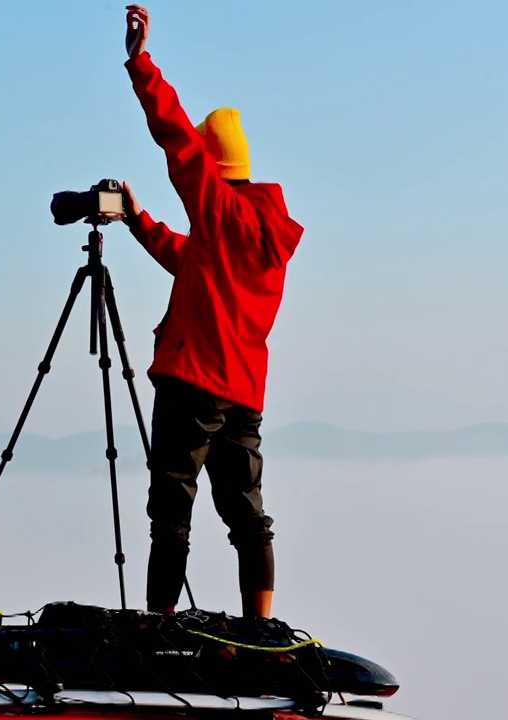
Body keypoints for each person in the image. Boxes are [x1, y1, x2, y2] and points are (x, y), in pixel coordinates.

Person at [117, 4, 305, 619]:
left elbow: (173, 133)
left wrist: (141, 61)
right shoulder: (261, 230)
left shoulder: (217, 208)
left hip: (193, 379)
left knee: (170, 511)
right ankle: (263, 628)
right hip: (245, 390)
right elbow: (190, 260)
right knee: (248, 514)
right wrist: (139, 220)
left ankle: (158, 627)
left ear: (213, 165)